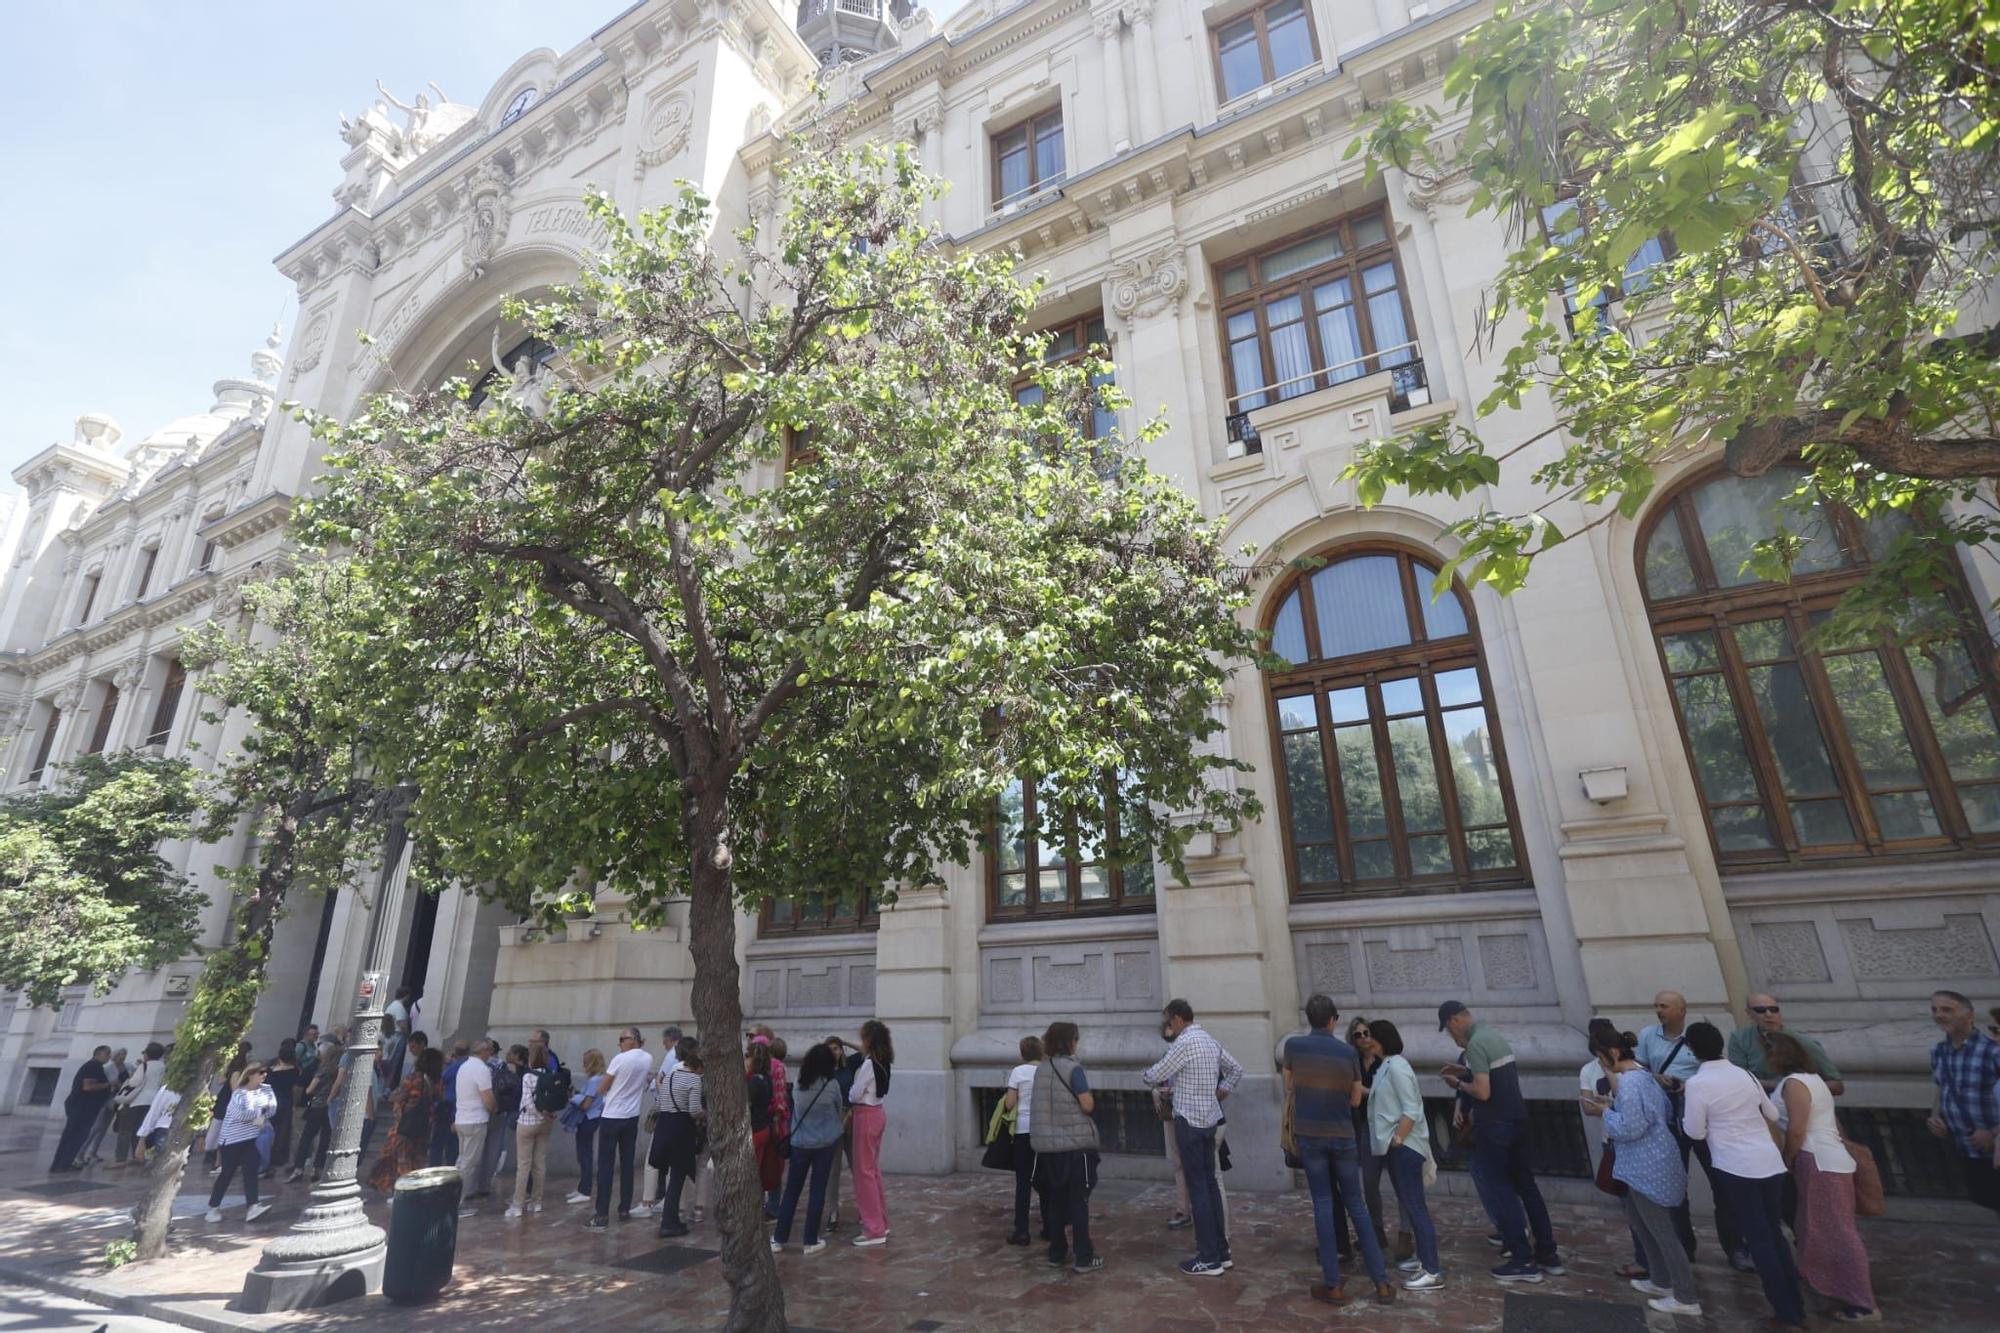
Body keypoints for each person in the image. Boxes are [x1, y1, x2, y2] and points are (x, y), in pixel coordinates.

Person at [1680, 1021, 1805, 1330]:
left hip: (1736, 1166)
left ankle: (1785, 1311)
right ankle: (1796, 1305)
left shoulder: (1698, 1083)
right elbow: (1773, 1115)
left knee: (1759, 1239)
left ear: (1692, 1049)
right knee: (1775, 1234)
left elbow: (1694, 1130)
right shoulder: (1745, 1074)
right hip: (1768, 1162)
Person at [1438, 1001, 1562, 1283]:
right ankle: (1547, 1253)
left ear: (1455, 1019)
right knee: (1527, 1187)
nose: (1451, 1034)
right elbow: (1491, 1078)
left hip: (1494, 1125)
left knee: (1501, 1191)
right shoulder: (1494, 1037)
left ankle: (1521, 1258)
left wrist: (1457, 1084)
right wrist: (1464, 1076)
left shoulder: (1476, 1044)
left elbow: (1483, 1092)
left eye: (1448, 1028)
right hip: (1517, 1119)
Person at [1583, 1029, 1701, 1318]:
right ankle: (1660, 1280)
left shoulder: (1633, 1082)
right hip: (1640, 1163)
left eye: (1600, 1058)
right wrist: (1611, 1106)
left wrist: (1604, 1113)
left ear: (1611, 1053)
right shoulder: (1642, 1075)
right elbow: (1650, 1114)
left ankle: (1686, 1296)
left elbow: (1631, 1128)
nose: (1601, 1064)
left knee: (1662, 1230)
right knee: (1640, 1222)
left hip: (1648, 1163)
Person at [1285, 994, 1393, 1306]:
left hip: (1310, 1135)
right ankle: (1382, 1282)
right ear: (1333, 1020)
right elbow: (1356, 1100)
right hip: (1343, 1135)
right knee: (1356, 1205)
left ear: (1309, 1018)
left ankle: (1332, 1284)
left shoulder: (1294, 1047)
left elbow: (1290, 1086)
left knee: (1322, 1204)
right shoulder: (1348, 1053)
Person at [1766, 1031, 1875, 1322]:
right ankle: (1835, 1288)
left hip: (1818, 1160)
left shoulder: (1796, 1083)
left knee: (1838, 1231)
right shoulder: (1813, 1080)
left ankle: (1862, 1301)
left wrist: (1787, 1157)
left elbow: (1798, 1129)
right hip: (1824, 1158)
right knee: (1816, 1227)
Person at [1143, 999, 1244, 1278]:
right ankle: (1222, 1253)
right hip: (1211, 1120)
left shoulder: (1184, 1043)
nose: (1169, 1027)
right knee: (1210, 1185)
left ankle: (1208, 1257)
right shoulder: (1209, 1041)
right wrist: (1222, 1090)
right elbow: (1236, 1068)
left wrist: (1146, 1076)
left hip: (1189, 1121)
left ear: (1176, 1019)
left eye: (1169, 1022)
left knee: (1198, 1187)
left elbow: (1156, 1074)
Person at [1638, 990, 1734, 1269]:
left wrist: (1688, 1085)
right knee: (1675, 1184)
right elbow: (1641, 1070)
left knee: (1720, 1182)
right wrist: (1657, 1078)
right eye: (1656, 1005)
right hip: (1667, 1114)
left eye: (1664, 1006)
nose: (1659, 1010)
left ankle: (1733, 1245)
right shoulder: (1648, 1036)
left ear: (1682, 1009)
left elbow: (1714, 1070)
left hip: (1702, 1114)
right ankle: (1683, 1245)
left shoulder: (1696, 1038)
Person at [1367, 1020, 1442, 1292]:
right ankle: (1424, 1259)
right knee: (1410, 1205)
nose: (1367, 1040)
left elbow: (1411, 1109)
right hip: (1398, 1147)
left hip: (1405, 1147)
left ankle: (1432, 1270)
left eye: (1370, 1036)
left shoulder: (1397, 1067)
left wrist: (1398, 1138)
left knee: (1415, 1207)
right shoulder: (1387, 1066)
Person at [1031, 1022, 1100, 1273]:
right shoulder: (1073, 1069)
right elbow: (1087, 1105)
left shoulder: (1041, 1070)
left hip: (1048, 1148)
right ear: (1070, 1041)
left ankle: (1056, 1252)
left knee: (1056, 1202)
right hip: (1075, 1146)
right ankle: (1083, 1256)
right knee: (1079, 1201)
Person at [1926, 988, 2000, 1215]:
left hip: (1994, 1146)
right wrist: (1936, 1116)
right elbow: (1942, 1087)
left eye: (1947, 1009)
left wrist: (1994, 1132)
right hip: (1966, 1145)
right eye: (1935, 1010)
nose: (1939, 1015)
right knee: (1989, 1199)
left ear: (1969, 1016)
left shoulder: (1992, 1051)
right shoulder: (1939, 1051)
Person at [772, 1041, 848, 1255]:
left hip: (800, 1143)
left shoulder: (798, 1083)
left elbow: (794, 1105)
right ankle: (810, 1238)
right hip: (824, 1143)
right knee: (818, 1190)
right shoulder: (831, 1086)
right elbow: (837, 1108)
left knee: (792, 1190)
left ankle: (779, 1238)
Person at [587, 1027, 651, 1229]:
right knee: (627, 1164)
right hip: (631, 1116)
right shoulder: (647, 1058)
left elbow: (602, 1087)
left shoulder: (619, 1059)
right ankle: (624, 1208)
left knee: (605, 1166)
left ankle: (601, 1214)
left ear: (632, 1040)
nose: (620, 1043)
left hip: (612, 1116)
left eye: (622, 1039)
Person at [1344, 1016, 1396, 1261]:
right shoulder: (1351, 1062)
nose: (1364, 1038)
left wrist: (1364, 1092)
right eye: (1358, 1035)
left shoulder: (1385, 1062)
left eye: (1366, 1033)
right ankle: (1376, 1233)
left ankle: (1406, 1234)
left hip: (1389, 1125)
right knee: (1369, 1183)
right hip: (1364, 1126)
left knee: (1401, 1182)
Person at [1728, 994, 1845, 1095]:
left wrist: (1793, 1087)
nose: (1768, 1014)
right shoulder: (1739, 1038)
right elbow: (1739, 1080)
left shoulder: (1802, 1042)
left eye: (1774, 1009)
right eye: (1760, 1010)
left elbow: (1836, 1085)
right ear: (1749, 1014)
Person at [206, 1062, 277, 1224]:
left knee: (251, 1170)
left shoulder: (266, 1089)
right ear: (250, 1075)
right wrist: (259, 1114)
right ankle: (213, 1207)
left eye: (265, 1073)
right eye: (260, 1073)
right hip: (231, 1140)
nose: (264, 1075)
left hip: (250, 1139)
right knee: (227, 1174)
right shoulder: (239, 1094)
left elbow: (272, 1109)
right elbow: (240, 1114)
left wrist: (260, 1115)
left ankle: (253, 1206)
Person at [369, 1047, 443, 1194]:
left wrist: (401, 1108)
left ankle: (401, 1192)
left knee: (402, 1160)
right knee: (416, 1160)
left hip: (406, 1127)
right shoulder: (434, 1082)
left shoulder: (414, 1078)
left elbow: (396, 1097)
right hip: (423, 1128)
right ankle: (410, 1191)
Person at [848, 1019, 894, 1246]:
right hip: (878, 1113)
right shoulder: (883, 1060)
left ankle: (873, 1228)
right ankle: (881, 1223)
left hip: (865, 1114)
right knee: (872, 1171)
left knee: (864, 1173)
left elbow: (855, 1094)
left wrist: (850, 1091)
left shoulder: (868, 1065)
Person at [653, 1038, 705, 1237]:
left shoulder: (673, 1071)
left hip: (665, 1124)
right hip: (681, 1129)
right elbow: (693, 1110)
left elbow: (662, 1099)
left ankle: (672, 1219)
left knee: (673, 1176)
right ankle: (669, 1223)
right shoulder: (694, 1079)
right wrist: (705, 1114)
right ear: (699, 1065)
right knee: (677, 1178)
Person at [1002, 1034, 1047, 1245]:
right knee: (1046, 1179)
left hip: (1022, 1130)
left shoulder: (1018, 1072)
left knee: (1023, 1181)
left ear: (1023, 1053)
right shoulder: (1047, 1071)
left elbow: (1010, 1104)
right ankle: (1049, 1225)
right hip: (1044, 1130)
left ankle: (1022, 1230)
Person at [507, 1038, 554, 1218]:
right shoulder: (550, 1074)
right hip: (546, 1124)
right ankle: (537, 1202)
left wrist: (538, 1114)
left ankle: (518, 1205)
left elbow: (527, 1102)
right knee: (540, 1163)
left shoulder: (528, 1076)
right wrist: (546, 1115)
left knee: (524, 1165)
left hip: (527, 1123)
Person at [50, 1046, 115, 1172]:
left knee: (76, 1136)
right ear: (98, 1054)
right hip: (82, 1107)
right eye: (107, 1054)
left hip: (85, 1108)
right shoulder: (92, 1067)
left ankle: (65, 1163)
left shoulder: (96, 1067)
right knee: (73, 1136)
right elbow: (88, 1086)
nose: (108, 1057)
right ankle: (61, 1164)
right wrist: (108, 1084)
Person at [453, 1038, 499, 1207]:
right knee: (468, 1164)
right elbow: (488, 1098)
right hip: (475, 1120)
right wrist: (494, 1108)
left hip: (462, 1119)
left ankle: (452, 1198)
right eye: (490, 1051)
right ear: (484, 1052)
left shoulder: (464, 1066)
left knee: (462, 1160)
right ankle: (456, 1203)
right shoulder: (481, 1069)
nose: (491, 1055)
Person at [289, 1037, 341, 1182]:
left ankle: (298, 1168)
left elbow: (310, 1089)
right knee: (325, 1139)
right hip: (331, 1107)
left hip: (318, 1105)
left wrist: (309, 1091)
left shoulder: (322, 1069)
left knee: (307, 1138)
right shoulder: (338, 1069)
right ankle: (317, 1169)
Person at [112, 1042, 167, 1168]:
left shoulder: (144, 1066)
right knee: (141, 1130)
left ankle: (120, 1158)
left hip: (138, 1100)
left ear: (147, 1054)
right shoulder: (164, 1067)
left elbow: (135, 1082)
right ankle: (139, 1156)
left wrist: (129, 1080)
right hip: (153, 1101)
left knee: (125, 1129)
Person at [565, 1048, 608, 1206]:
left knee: (584, 1155)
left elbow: (586, 1105)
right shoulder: (603, 1078)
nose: (583, 1065)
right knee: (585, 1153)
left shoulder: (593, 1081)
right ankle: (582, 1187)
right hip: (596, 1117)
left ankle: (585, 1190)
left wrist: (574, 1097)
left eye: (585, 1061)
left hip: (587, 1118)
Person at [481, 1042, 525, 1196]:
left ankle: (480, 1183)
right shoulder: (503, 1066)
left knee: (489, 1145)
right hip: (501, 1108)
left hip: (490, 1108)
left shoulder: (486, 1066)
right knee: (496, 1144)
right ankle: (487, 1180)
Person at [747, 1044, 784, 1209]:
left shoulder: (754, 1081)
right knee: (760, 1170)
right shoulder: (767, 1079)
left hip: (756, 1129)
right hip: (765, 1127)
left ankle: (754, 1206)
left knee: (753, 1172)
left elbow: (748, 1106)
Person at [78, 1048, 129, 1167]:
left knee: (105, 1127)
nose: (123, 1056)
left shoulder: (127, 1067)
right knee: (97, 1126)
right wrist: (113, 1084)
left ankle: (93, 1152)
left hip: (118, 1099)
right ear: (115, 1056)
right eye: (120, 1054)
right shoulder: (108, 1069)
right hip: (106, 1098)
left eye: (125, 1054)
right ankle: (81, 1152)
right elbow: (102, 1082)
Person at [263, 1039, 300, 1175]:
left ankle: (262, 1158)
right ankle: (275, 1160)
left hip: (268, 1104)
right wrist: (294, 1104)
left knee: (264, 1131)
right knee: (281, 1134)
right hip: (285, 1104)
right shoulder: (294, 1071)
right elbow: (295, 1090)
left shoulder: (270, 1071)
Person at [433, 1039, 469, 1167]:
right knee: (452, 1146)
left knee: (438, 1144)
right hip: (459, 1109)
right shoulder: (466, 1066)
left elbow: (441, 1079)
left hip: (448, 1107)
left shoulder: (455, 1066)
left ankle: (434, 1169)